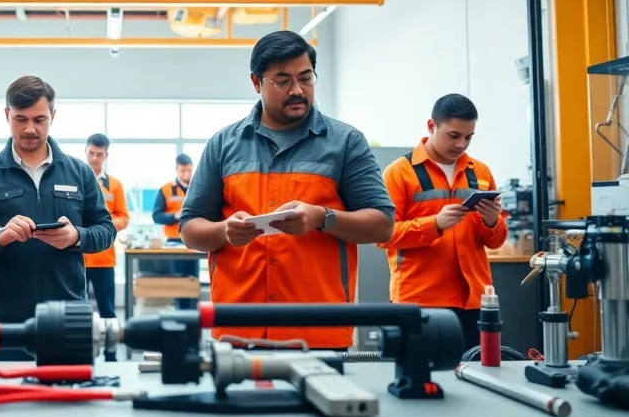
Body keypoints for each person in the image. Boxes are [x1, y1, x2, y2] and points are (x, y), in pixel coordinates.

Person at [179, 30, 395, 350]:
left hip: (319, 328)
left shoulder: (345, 142)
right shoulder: (224, 145)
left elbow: (383, 224)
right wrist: (226, 231)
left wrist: (322, 217)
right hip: (239, 329)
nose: (298, 90)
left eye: (306, 78)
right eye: (282, 80)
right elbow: (190, 229)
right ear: (256, 82)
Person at [0, 76, 116, 359]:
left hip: (68, 314)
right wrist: (0, 237)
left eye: (39, 119)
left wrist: (76, 237)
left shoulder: (80, 173)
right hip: (4, 321)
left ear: (53, 116)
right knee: (5, 400)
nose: (30, 128)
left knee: (69, 397)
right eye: (20, 119)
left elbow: (106, 230)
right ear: (7, 115)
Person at [380, 94, 507, 351]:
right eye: (454, 135)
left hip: (474, 300)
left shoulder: (480, 173)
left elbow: (495, 241)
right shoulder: (398, 172)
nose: (461, 144)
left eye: (469, 137)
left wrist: (493, 222)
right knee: (419, 379)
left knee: (474, 378)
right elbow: (383, 234)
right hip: (418, 299)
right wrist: (434, 224)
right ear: (431, 126)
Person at [83, 133, 129, 361]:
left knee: (107, 310)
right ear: (86, 152)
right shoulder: (76, 179)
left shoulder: (115, 185)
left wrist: (103, 225)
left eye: (99, 154)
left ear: (106, 155)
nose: (95, 158)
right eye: (91, 153)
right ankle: (79, 356)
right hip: (77, 258)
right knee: (78, 311)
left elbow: (124, 217)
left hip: (103, 259)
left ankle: (111, 358)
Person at [151, 153, 199, 310]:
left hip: (194, 242)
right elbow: (157, 216)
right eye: (183, 170)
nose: (186, 174)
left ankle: (194, 317)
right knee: (178, 283)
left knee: (192, 281)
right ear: (176, 169)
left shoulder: (199, 187)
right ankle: (181, 314)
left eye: (189, 170)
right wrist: (175, 216)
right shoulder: (166, 190)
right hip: (173, 242)